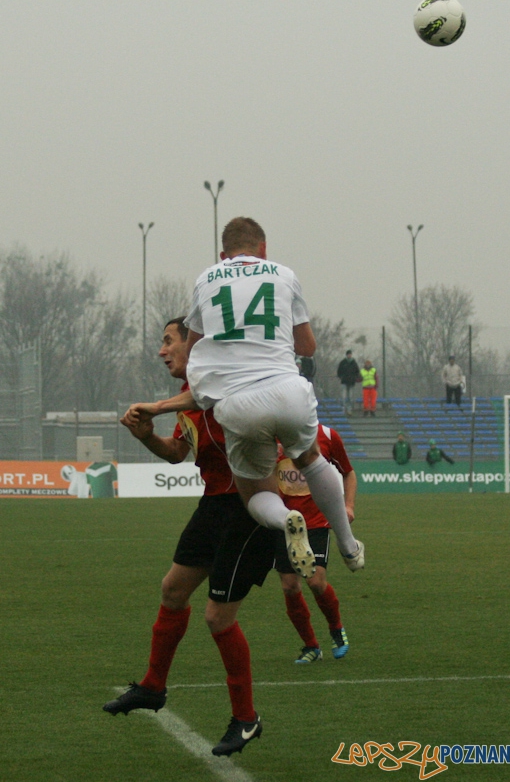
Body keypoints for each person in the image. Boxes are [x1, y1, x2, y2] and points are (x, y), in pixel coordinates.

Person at [125, 217, 364, 578]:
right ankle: (348, 544)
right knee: (312, 461)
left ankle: (287, 520)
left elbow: (194, 350)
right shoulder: (284, 274)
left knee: (254, 495)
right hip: (288, 390)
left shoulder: (207, 279)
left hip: (239, 404)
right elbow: (308, 347)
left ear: (223, 255)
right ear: (263, 249)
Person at [103, 318, 276, 758]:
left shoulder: (214, 381)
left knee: (218, 617)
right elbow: (179, 453)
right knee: (172, 590)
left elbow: (207, 396)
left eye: (168, 340)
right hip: (214, 506)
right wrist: (147, 438)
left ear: (193, 343)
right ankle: (153, 687)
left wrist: (157, 408)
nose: (161, 350)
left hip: (249, 506)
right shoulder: (188, 397)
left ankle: (247, 718)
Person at [275, 423, 356, 663]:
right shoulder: (271, 437)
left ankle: (336, 628)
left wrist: (348, 505)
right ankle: (311, 646)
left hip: (317, 521)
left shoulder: (328, 436)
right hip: (284, 521)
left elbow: (348, 472)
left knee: (316, 582)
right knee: (290, 586)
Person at [336, 350, 360, 415]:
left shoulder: (354, 363)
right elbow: (339, 371)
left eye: (350, 354)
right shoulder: (343, 362)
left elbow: (357, 372)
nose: (349, 355)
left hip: (351, 382)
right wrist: (341, 377)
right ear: (346, 355)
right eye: (348, 354)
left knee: (350, 397)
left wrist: (355, 378)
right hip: (344, 382)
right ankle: (343, 409)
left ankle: (349, 409)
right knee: (343, 397)